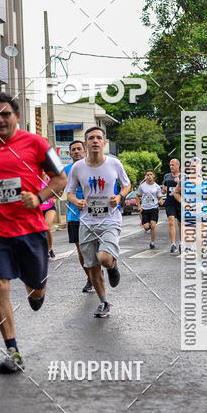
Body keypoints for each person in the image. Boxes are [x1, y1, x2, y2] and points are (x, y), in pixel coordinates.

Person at [0, 94, 66, 373]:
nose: (0, 120)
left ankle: (37, 292)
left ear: (17, 116)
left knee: (36, 287)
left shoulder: (37, 144)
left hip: (30, 229)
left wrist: (40, 196)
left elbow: (61, 178)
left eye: (5, 114)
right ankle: (12, 350)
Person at [66, 127, 131, 319]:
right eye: (91, 138)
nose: (95, 141)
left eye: (98, 138)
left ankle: (112, 266)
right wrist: (76, 201)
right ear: (86, 144)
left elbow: (127, 184)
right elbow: (69, 192)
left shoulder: (114, 163)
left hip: (110, 220)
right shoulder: (78, 168)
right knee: (92, 266)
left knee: (103, 258)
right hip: (86, 222)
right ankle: (104, 302)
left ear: (104, 143)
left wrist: (119, 196)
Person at [64, 140, 93, 293]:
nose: (76, 151)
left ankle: (98, 271)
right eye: (73, 149)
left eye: (79, 149)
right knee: (81, 250)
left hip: (94, 215)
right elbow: (59, 186)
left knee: (95, 250)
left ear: (85, 151)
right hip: (74, 216)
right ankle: (90, 277)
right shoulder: (66, 170)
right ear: (70, 153)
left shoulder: (93, 167)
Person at [136, 169, 163, 249]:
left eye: (151, 174)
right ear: (145, 176)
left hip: (154, 208)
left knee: (153, 225)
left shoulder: (157, 187)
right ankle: (146, 223)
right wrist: (139, 206)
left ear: (153, 176)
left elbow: (160, 197)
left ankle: (152, 242)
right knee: (146, 227)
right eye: (147, 175)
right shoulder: (142, 186)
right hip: (145, 208)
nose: (149, 176)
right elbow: (137, 196)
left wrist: (161, 201)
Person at [161, 158, 183, 253]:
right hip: (170, 203)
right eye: (170, 165)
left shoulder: (183, 176)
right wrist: (163, 190)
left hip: (180, 202)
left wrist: (179, 182)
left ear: (178, 166)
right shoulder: (167, 176)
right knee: (171, 221)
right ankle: (173, 244)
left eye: (173, 165)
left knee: (180, 224)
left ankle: (181, 243)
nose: (171, 167)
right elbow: (164, 185)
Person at [39, 173, 58, 259]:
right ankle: (42, 249)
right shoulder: (35, 181)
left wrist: (55, 198)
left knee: (46, 226)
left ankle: (50, 248)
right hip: (38, 209)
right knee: (39, 230)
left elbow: (58, 190)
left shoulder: (50, 181)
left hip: (49, 207)